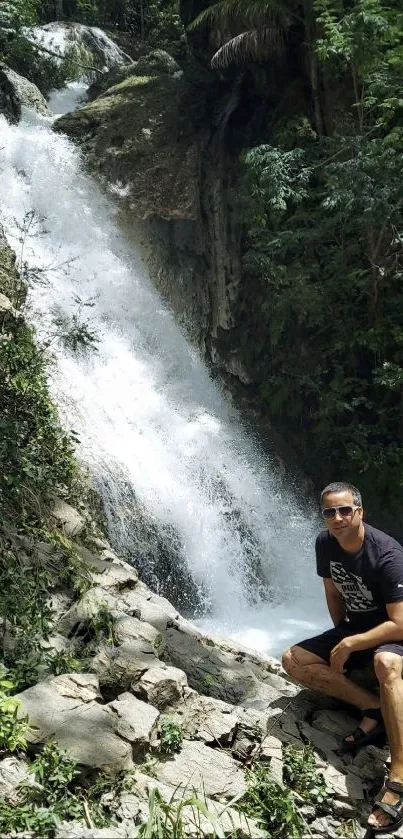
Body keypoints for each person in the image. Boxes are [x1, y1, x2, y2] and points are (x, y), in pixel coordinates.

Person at [282, 482, 403, 834]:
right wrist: (342, 638)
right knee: (293, 660)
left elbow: (400, 623)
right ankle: (373, 709)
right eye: (330, 512)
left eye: (345, 510)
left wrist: (353, 644)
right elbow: (333, 592)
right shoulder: (325, 542)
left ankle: (398, 775)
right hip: (358, 629)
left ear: (360, 512)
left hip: (394, 633)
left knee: (386, 664)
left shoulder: (388, 555)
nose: (337, 518)